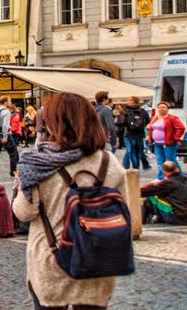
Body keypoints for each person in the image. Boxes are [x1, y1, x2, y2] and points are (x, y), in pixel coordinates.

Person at [14, 91, 126, 310]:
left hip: (53, 258)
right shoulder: (107, 161)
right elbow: (125, 211)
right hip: (98, 260)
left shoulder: (38, 165)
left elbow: (24, 213)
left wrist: (21, 187)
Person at [141, 160, 187, 224]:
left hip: (178, 217)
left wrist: (149, 185)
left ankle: (140, 221)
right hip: (183, 215)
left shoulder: (168, 182)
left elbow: (143, 192)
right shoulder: (184, 178)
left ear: (164, 172)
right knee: (163, 196)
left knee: (150, 198)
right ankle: (159, 218)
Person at [149, 101, 185, 178]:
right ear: (157, 109)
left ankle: (180, 176)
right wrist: (150, 138)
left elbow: (181, 128)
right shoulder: (155, 118)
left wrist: (175, 138)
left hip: (169, 143)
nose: (161, 109)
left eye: (164, 107)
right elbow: (150, 128)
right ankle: (161, 177)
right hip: (157, 143)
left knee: (170, 161)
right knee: (160, 161)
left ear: (168, 109)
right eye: (160, 107)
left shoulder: (172, 118)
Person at [118, 96, 150, 170]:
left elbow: (123, 123)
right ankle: (136, 167)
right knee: (138, 151)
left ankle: (132, 167)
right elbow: (148, 121)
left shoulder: (126, 111)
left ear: (133, 102)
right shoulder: (143, 111)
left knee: (131, 151)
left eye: (130, 101)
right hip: (140, 134)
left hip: (129, 134)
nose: (129, 102)